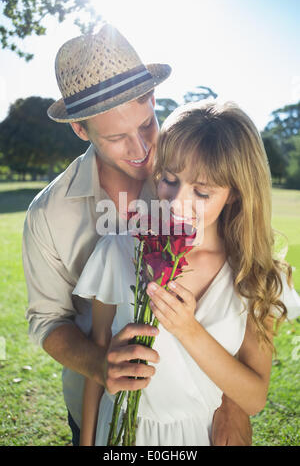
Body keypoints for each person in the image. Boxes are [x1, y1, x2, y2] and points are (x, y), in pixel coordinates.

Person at [22, 23, 252, 446]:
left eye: (147, 123)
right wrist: (100, 364)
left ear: (152, 99)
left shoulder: (190, 170)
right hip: (105, 414)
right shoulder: (47, 216)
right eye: (116, 137)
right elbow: (47, 320)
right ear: (80, 129)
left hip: (199, 418)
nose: (143, 148)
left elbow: (241, 281)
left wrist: (234, 405)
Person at [72, 100, 300, 446]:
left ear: (235, 195)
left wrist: (187, 329)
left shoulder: (256, 275)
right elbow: (99, 360)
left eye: (202, 192)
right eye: (169, 180)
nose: (177, 202)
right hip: (119, 433)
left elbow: (254, 398)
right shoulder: (118, 250)